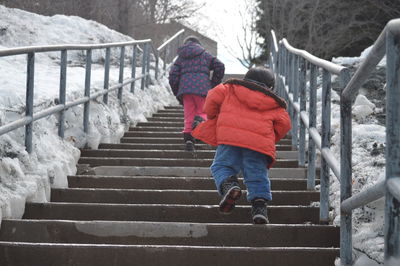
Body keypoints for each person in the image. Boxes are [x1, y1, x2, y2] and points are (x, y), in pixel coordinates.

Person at [192, 66, 291, 224]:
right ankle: (259, 207)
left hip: (230, 138)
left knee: (222, 166)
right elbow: (284, 125)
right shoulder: (274, 103)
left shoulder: (229, 88)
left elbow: (211, 98)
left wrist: (214, 115)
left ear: (246, 78)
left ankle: (229, 185)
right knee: (257, 174)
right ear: (270, 87)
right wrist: (269, 136)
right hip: (259, 144)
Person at [169, 36, 225, 151]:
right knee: (203, 112)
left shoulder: (180, 57)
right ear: (198, 44)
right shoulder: (204, 54)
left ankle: (189, 139)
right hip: (202, 89)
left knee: (189, 115)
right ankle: (199, 123)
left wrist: (177, 91)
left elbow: (172, 75)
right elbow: (220, 66)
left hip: (185, 91)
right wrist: (213, 83)